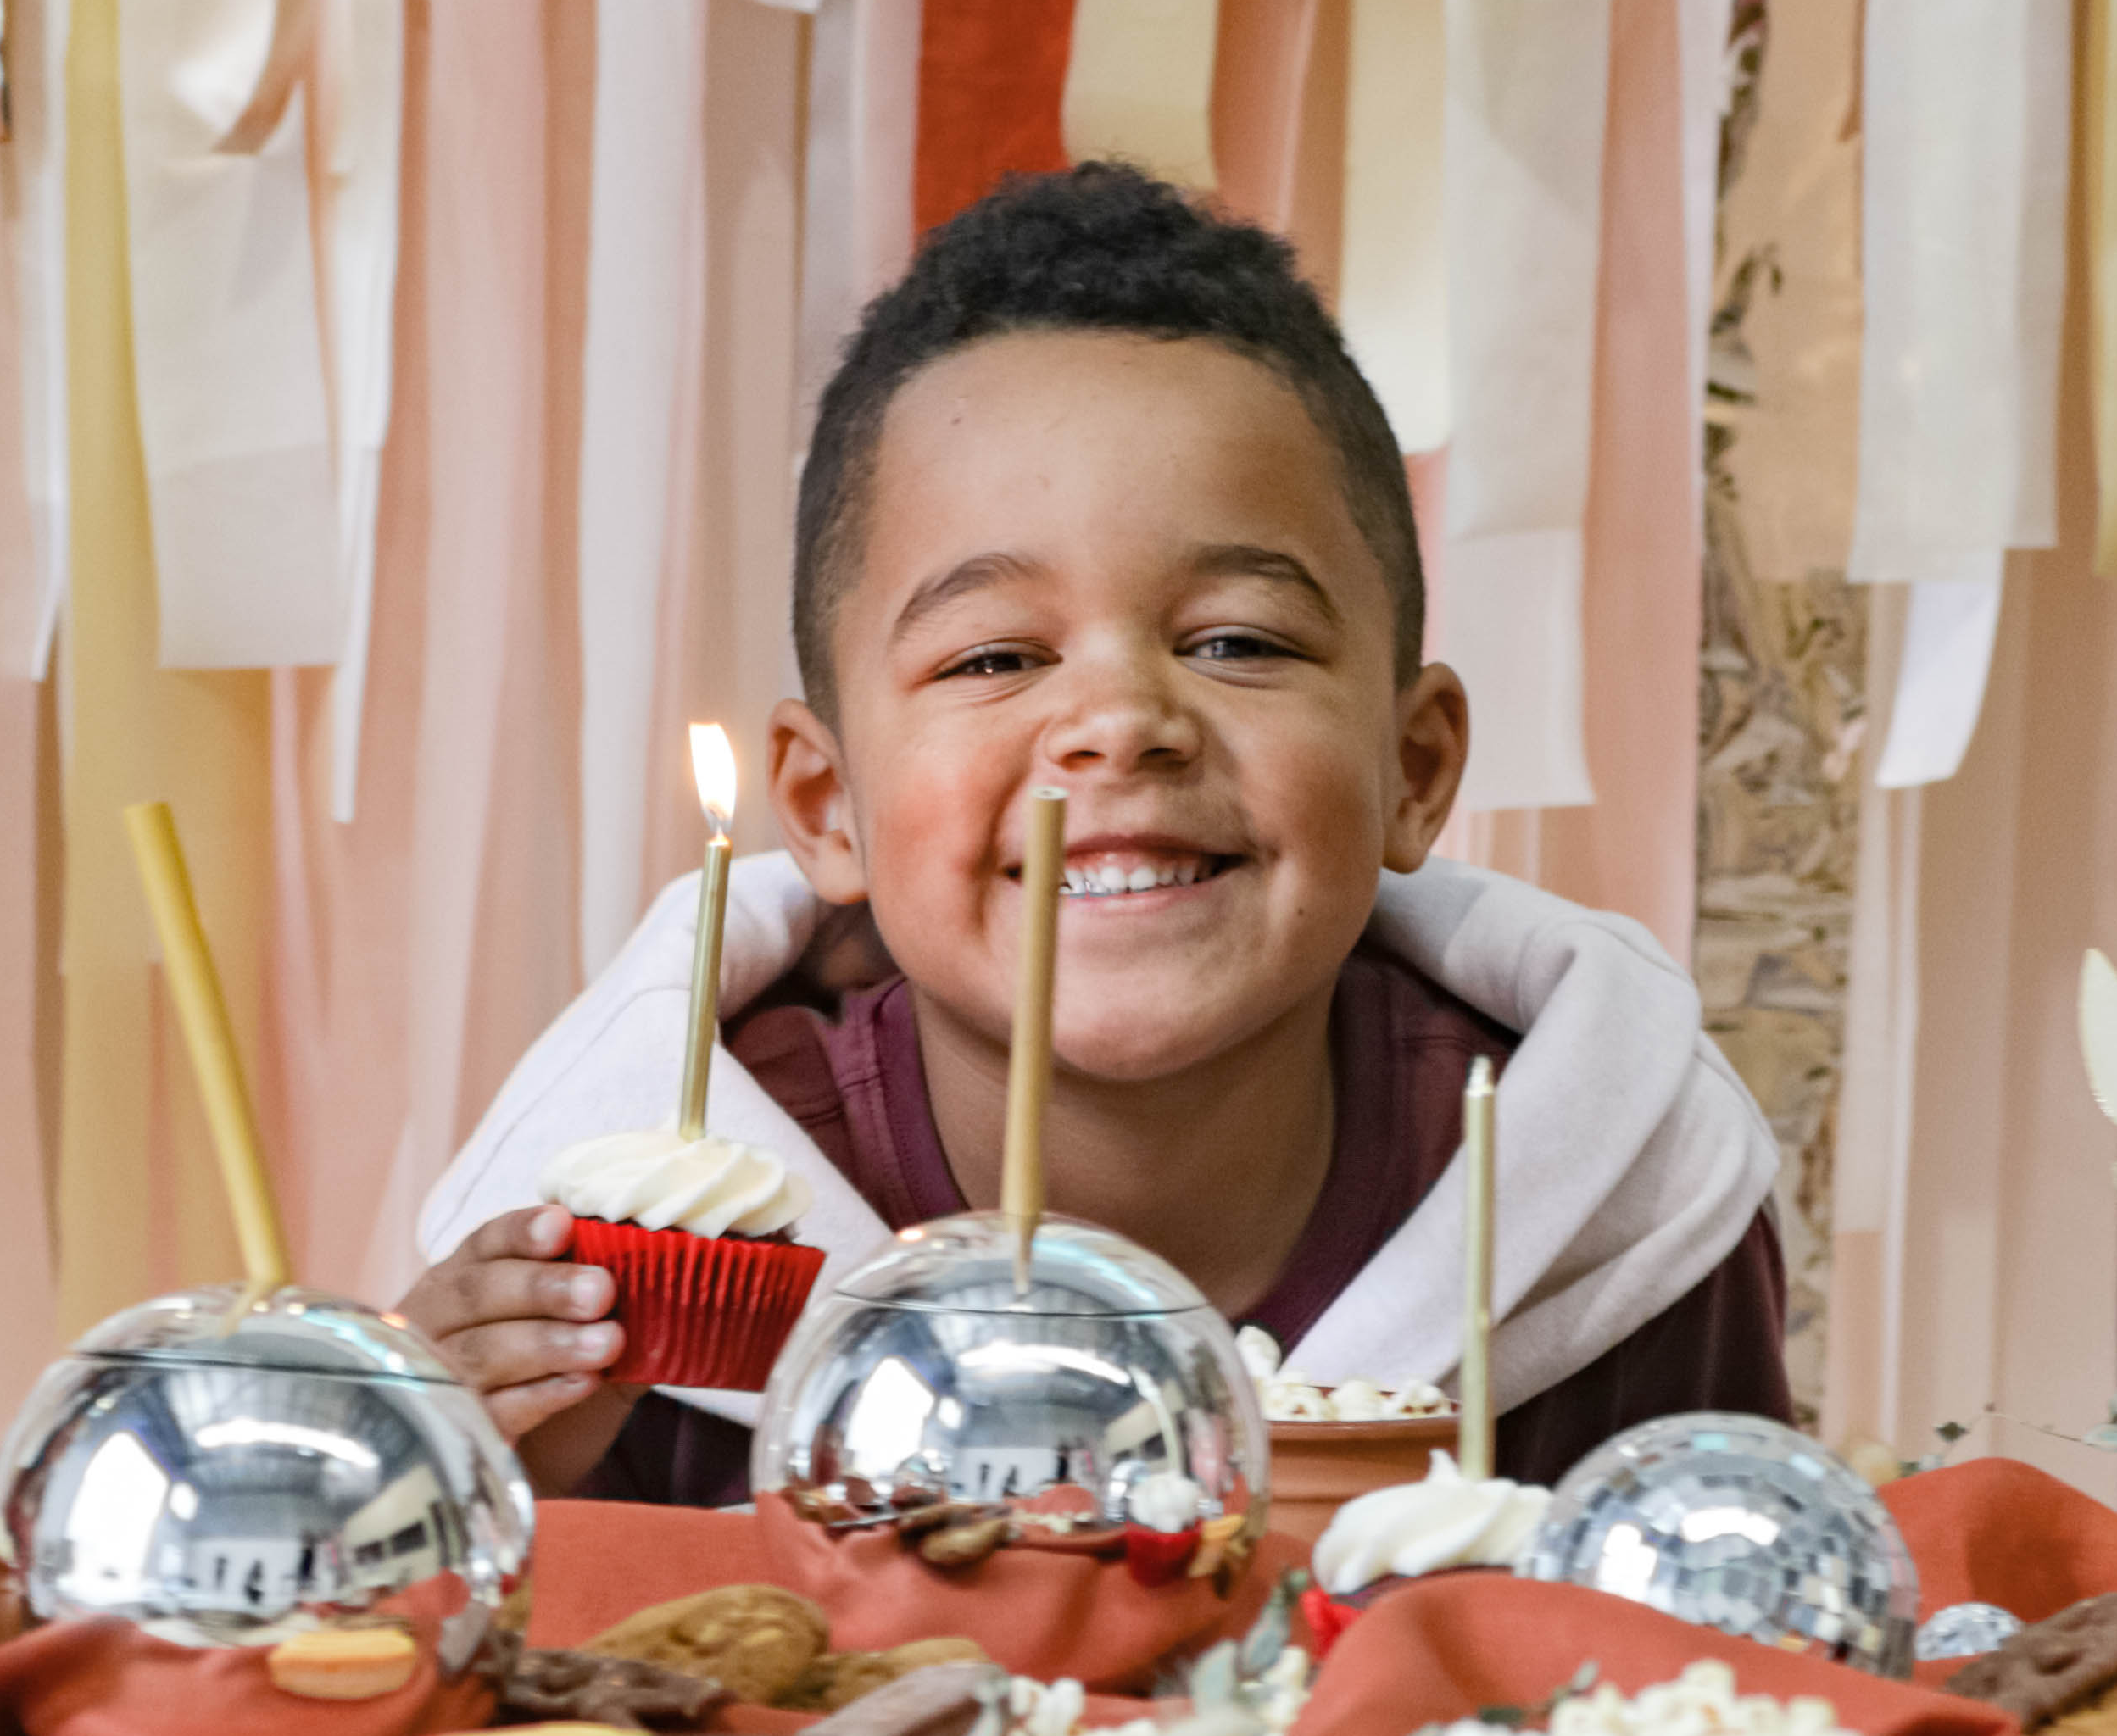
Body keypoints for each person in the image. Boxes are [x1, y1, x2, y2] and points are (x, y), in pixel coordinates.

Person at [404, 163, 1791, 1500]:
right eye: (996, 659)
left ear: (1415, 768)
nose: (1121, 721)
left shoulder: (1610, 1213)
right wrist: (463, 1492)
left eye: (1239, 641)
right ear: (828, 809)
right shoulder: (662, 1240)